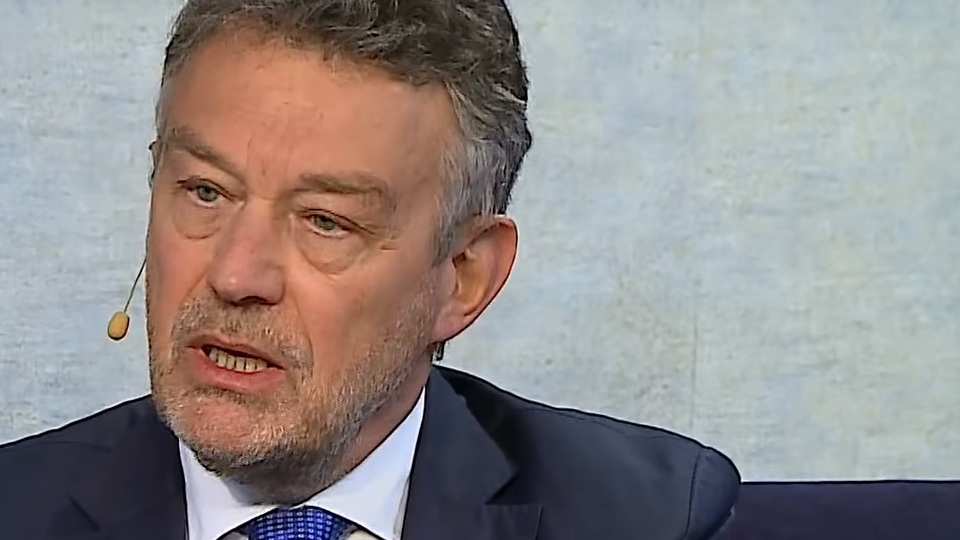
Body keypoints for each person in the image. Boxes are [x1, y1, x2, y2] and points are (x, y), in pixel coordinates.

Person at [0, 1, 740, 538]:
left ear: (464, 276)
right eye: (205, 192)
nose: (236, 274)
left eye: (325, 221)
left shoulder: (644, 517)